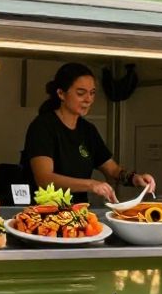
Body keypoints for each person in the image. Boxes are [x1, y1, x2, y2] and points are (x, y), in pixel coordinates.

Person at [22, 63, 154, 204]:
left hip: (79, 211)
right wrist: (90, 184)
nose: (88, 99)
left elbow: (113, 171)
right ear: (61, 93)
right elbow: (44, 179)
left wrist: (135, 178)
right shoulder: (43, 126)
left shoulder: (88, 130)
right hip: (45, 211)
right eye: (81, 93)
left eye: (92, 93)